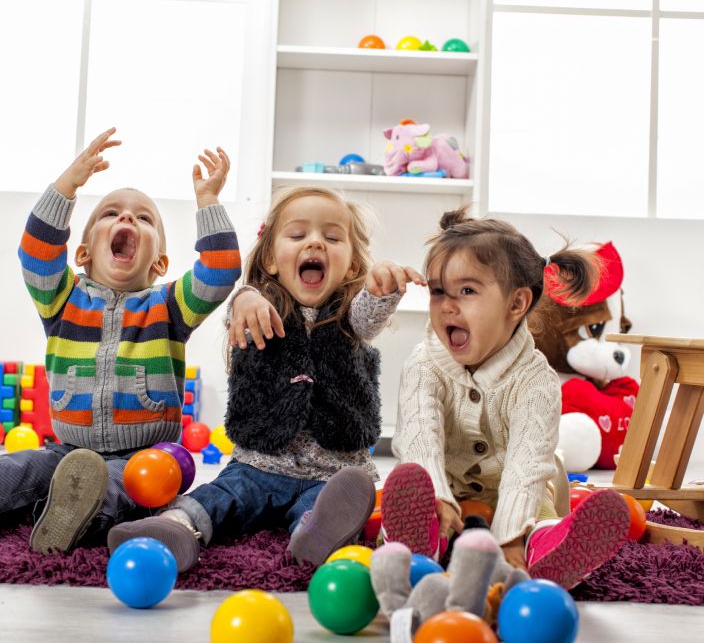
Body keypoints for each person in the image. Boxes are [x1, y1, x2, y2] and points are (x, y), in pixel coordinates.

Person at [0, 128, 241, 555]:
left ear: (160, 262)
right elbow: (36, 251)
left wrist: (209, 203)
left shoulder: (169, 306)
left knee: (134, 484)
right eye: (111, 213)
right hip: (67, 449)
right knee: (25, 468)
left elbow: (220, 271)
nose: (127, 219)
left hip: (145, 454)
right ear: (83, 252)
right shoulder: (61, 299)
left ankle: (74, 512)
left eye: (144, 218)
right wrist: (68, 184)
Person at [108, 185, 425, 571]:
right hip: (257, 466)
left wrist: (381, 289)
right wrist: (245, 297)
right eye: (298, 235)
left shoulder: (349, 318)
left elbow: (368, 314)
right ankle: (174, 527)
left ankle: (313, 536)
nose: (315, 244)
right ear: (273, 259)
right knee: (220, 497)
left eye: (331, 237)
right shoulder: (258, 307)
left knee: (325, 509)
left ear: (353, 266)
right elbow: (238, 313)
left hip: (330, 475)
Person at [380, 207, 631, 590]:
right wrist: (438, 496)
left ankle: (547, 550)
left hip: (515, 490)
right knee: (415, 487)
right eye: (437, 291)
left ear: (516, 304)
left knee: (537, 517)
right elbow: (418, 437)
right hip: (446, 482)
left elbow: (527, 466)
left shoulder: (536, 380)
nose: (447, 305)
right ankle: (420, 542)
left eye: (467, 291)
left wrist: (510, 536)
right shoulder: (424, 364)